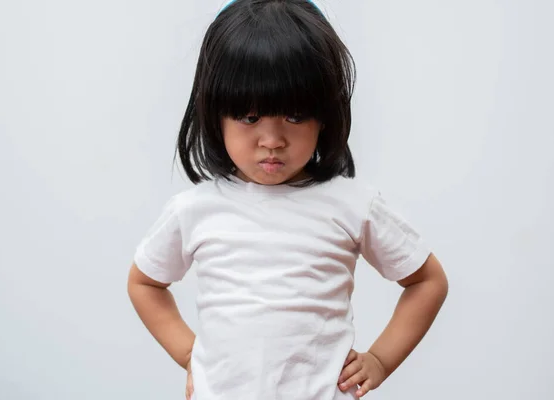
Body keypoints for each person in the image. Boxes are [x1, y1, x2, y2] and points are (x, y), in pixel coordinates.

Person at [127, 0, 449, 399]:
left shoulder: (350, 204)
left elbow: (427, 280)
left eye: (295, 116)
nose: (272, 139)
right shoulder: (194, 210)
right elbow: (144, 282)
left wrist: (380, 360)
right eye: (249, 118)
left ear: (325, 114)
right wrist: (190, 354)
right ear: (215, 115)